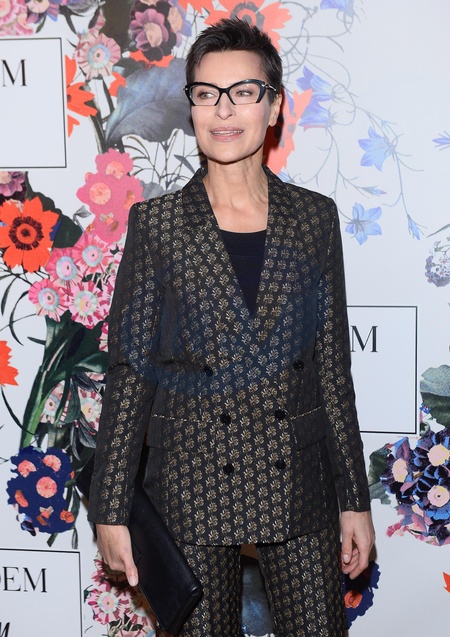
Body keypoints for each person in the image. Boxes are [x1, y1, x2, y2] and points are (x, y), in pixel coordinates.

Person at [88, 17, 375, 637]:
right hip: (192, 484)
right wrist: (110, 508)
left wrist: (355, 499)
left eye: (243, 92)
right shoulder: (158, 226)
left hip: (297, 482)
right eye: (207, 93)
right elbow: (131, 373)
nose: (224, 109)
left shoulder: (314, 220)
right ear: (191, 105)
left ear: (273, 106)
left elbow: (331, 370)